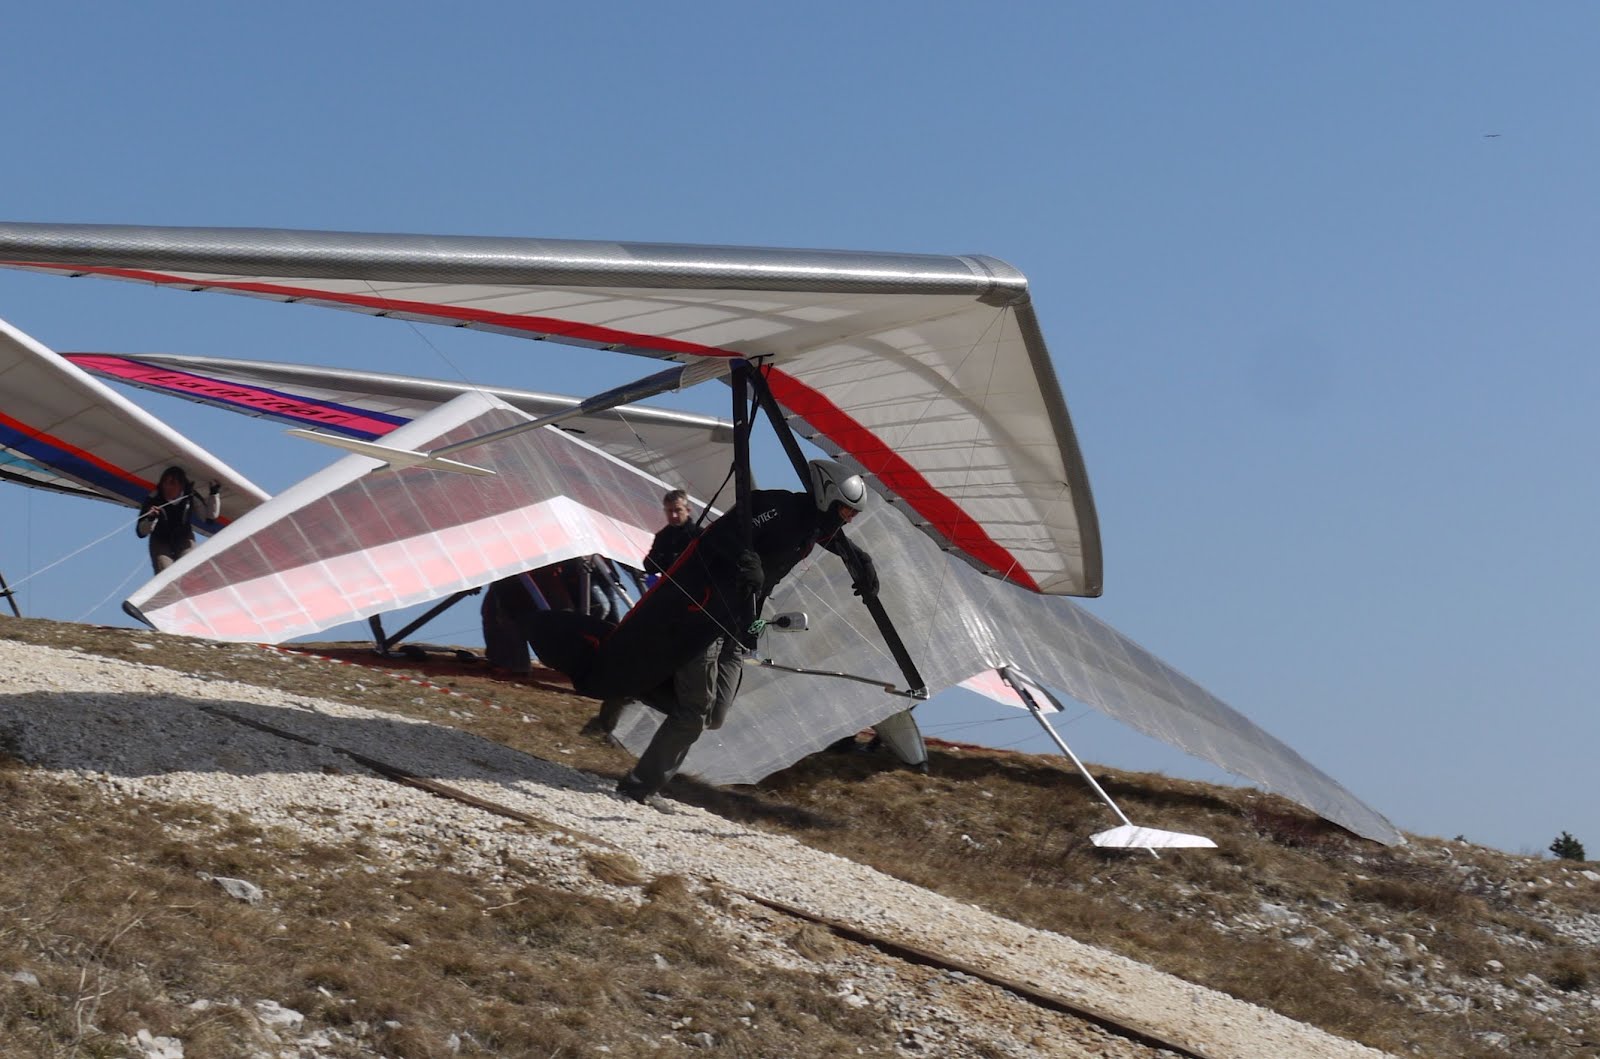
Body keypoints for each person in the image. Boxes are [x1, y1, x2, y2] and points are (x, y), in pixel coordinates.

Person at [525, 459, 879, 808]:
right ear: (826, 495)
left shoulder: (814, 526)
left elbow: (831, 537)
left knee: (715, 714)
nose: (847, 520)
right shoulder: (778, 506)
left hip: (738, 625)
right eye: (845, 511)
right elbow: (723, 535)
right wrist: (746, 559)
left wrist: (860, 559)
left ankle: (643, 682)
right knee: (695, 711)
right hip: (704, 616)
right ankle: (638, 787)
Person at [136, 466, 221, 574]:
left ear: (181, 486)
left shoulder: (189, 494)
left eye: (172, 483)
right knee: (165, 573)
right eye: (165, 483)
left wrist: (214, 493)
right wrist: (151, 518)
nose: (167, 487)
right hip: (160, 540)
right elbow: (140, 532)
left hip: (184, 537)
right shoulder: (154, 498)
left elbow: (209, 518)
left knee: (188, 569)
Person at [642, 489, 700, 586]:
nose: (673, 515)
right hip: (672, 590)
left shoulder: (699, 534)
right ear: (665, 511)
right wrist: (666, 558)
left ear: (688, 510)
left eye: (678, 510)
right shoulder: (662, 536)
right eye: (670, 511)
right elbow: (649, 566)